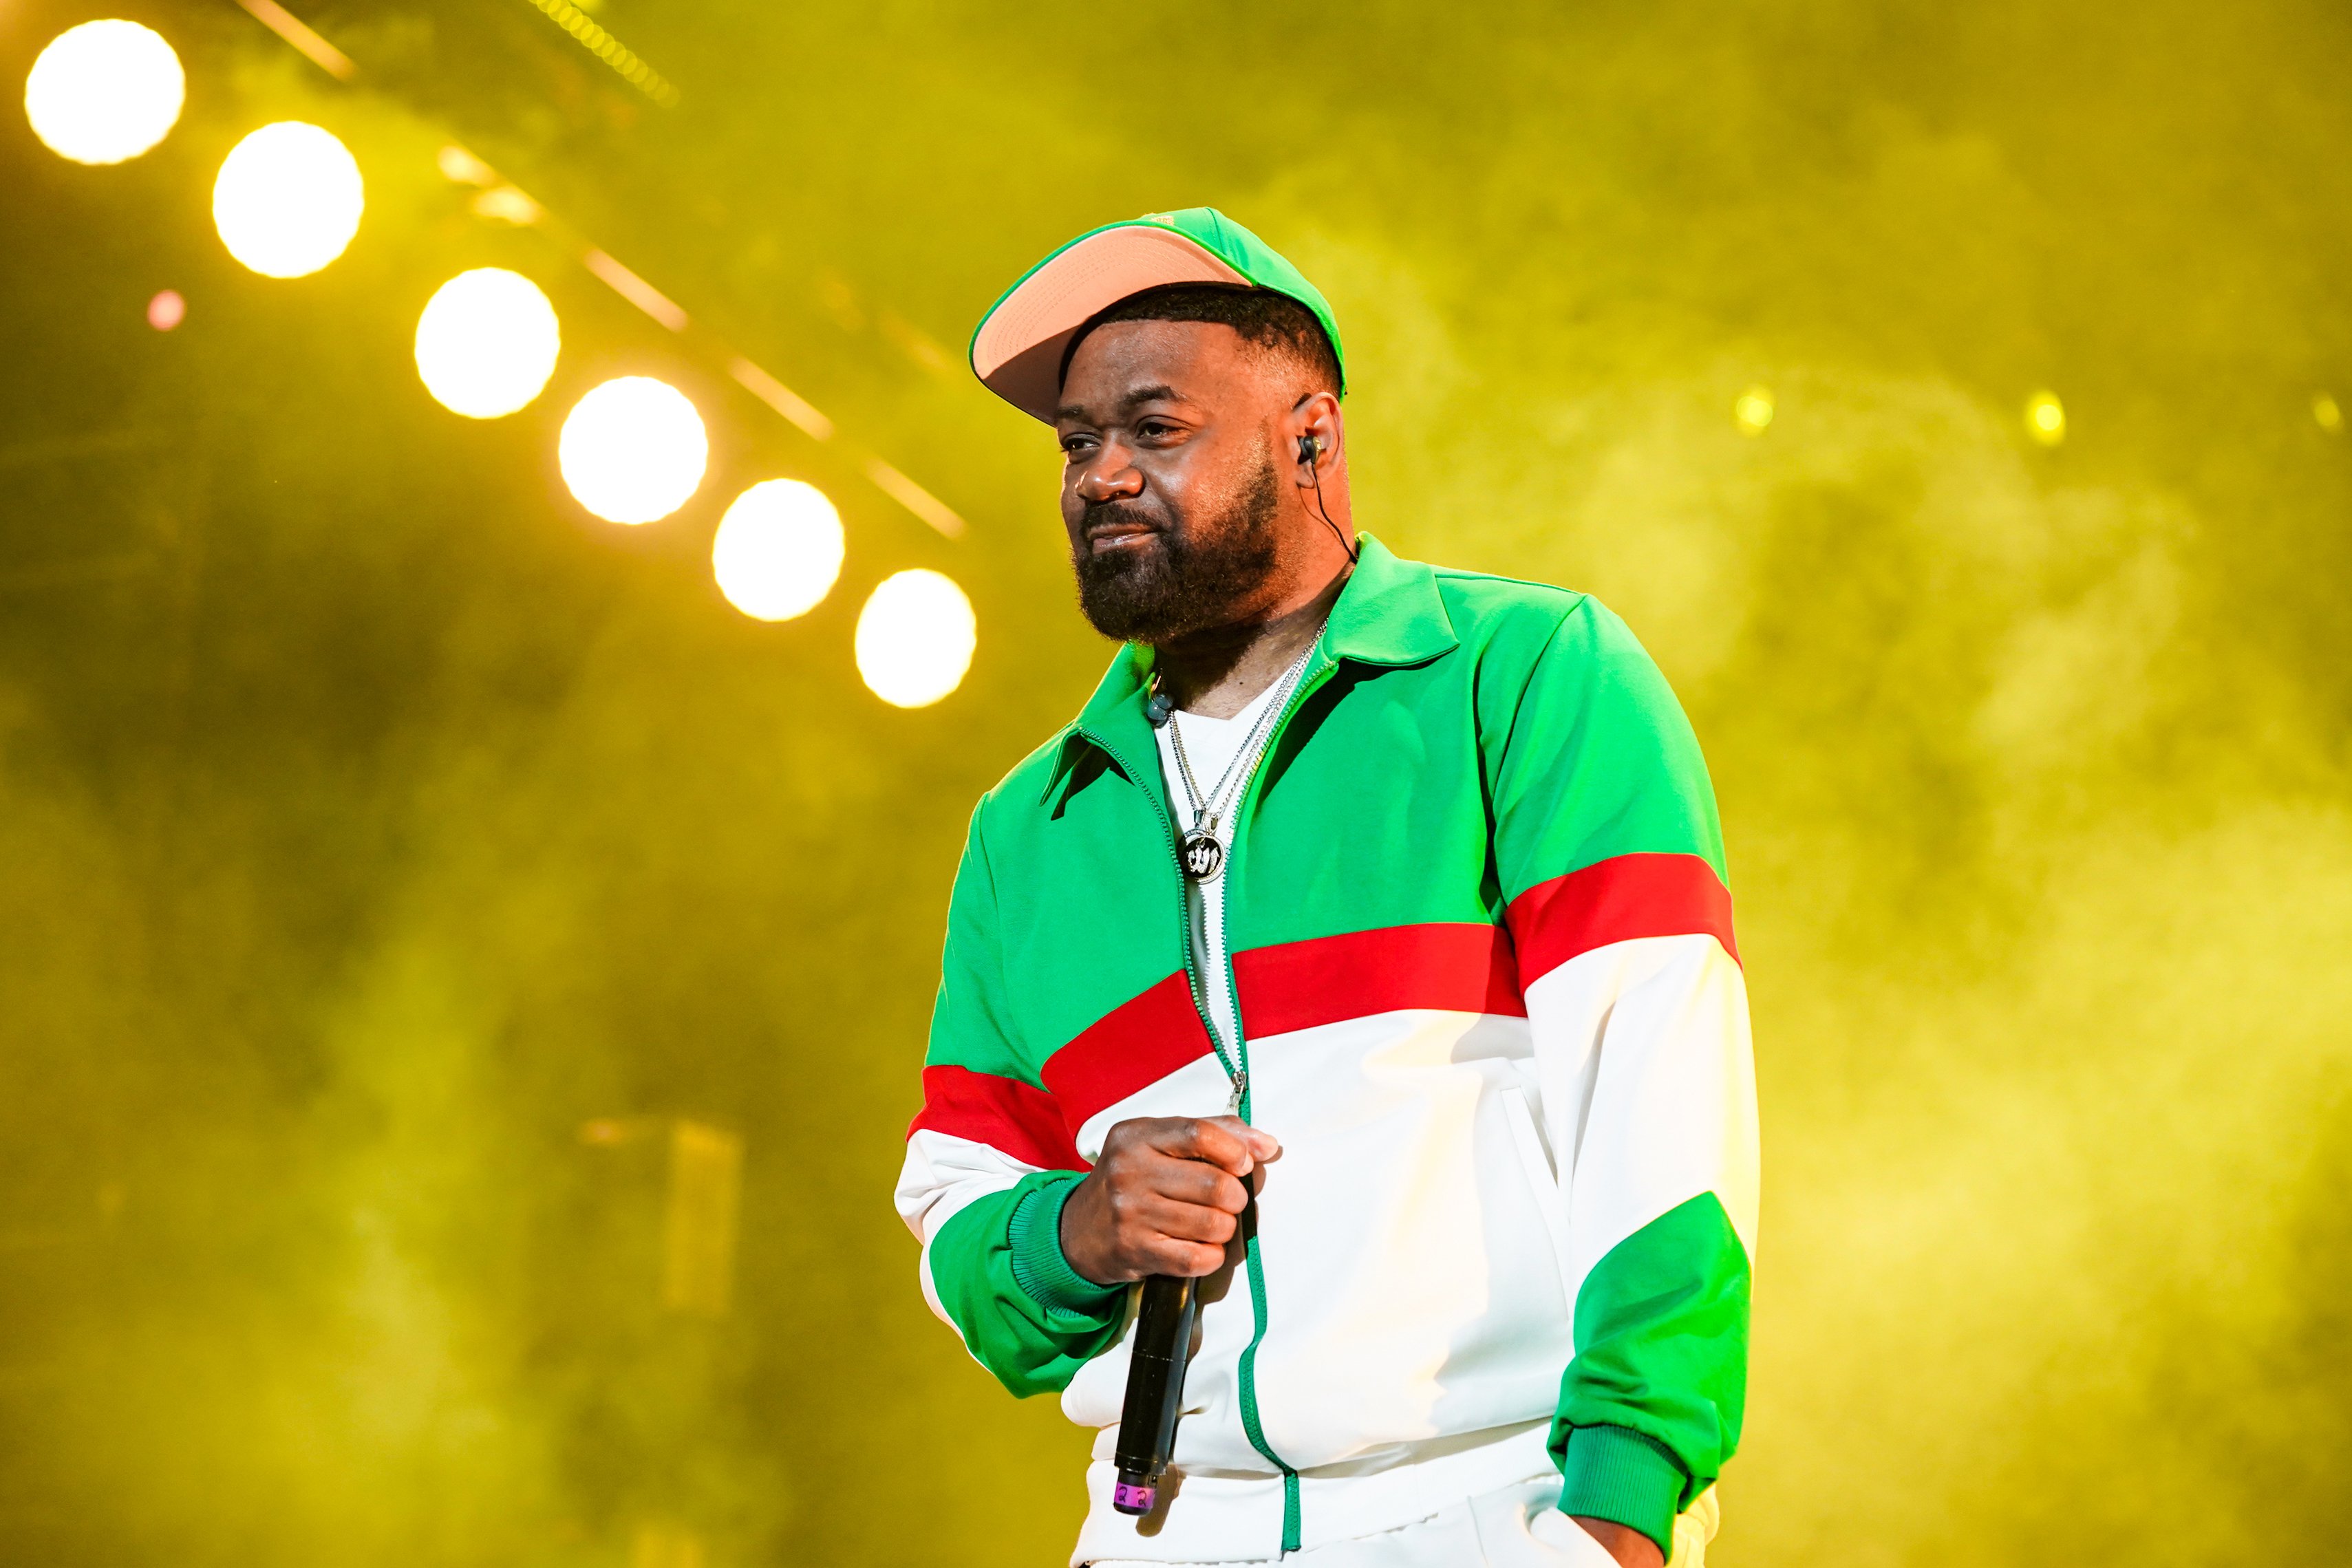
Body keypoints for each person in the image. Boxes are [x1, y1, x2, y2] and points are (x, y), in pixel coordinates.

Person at [895, 208, 1757, 1568]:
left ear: (1309, 438)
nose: (1099, 475)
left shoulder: (1525, 678)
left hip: (1490, 1506)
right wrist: (1080, 1226)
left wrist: (1616, 1515)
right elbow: (954, 1215)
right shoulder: (1029, 829)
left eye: (1153, 427)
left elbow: (1661, 1123)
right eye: (1076, 442)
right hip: (1155, 1530)